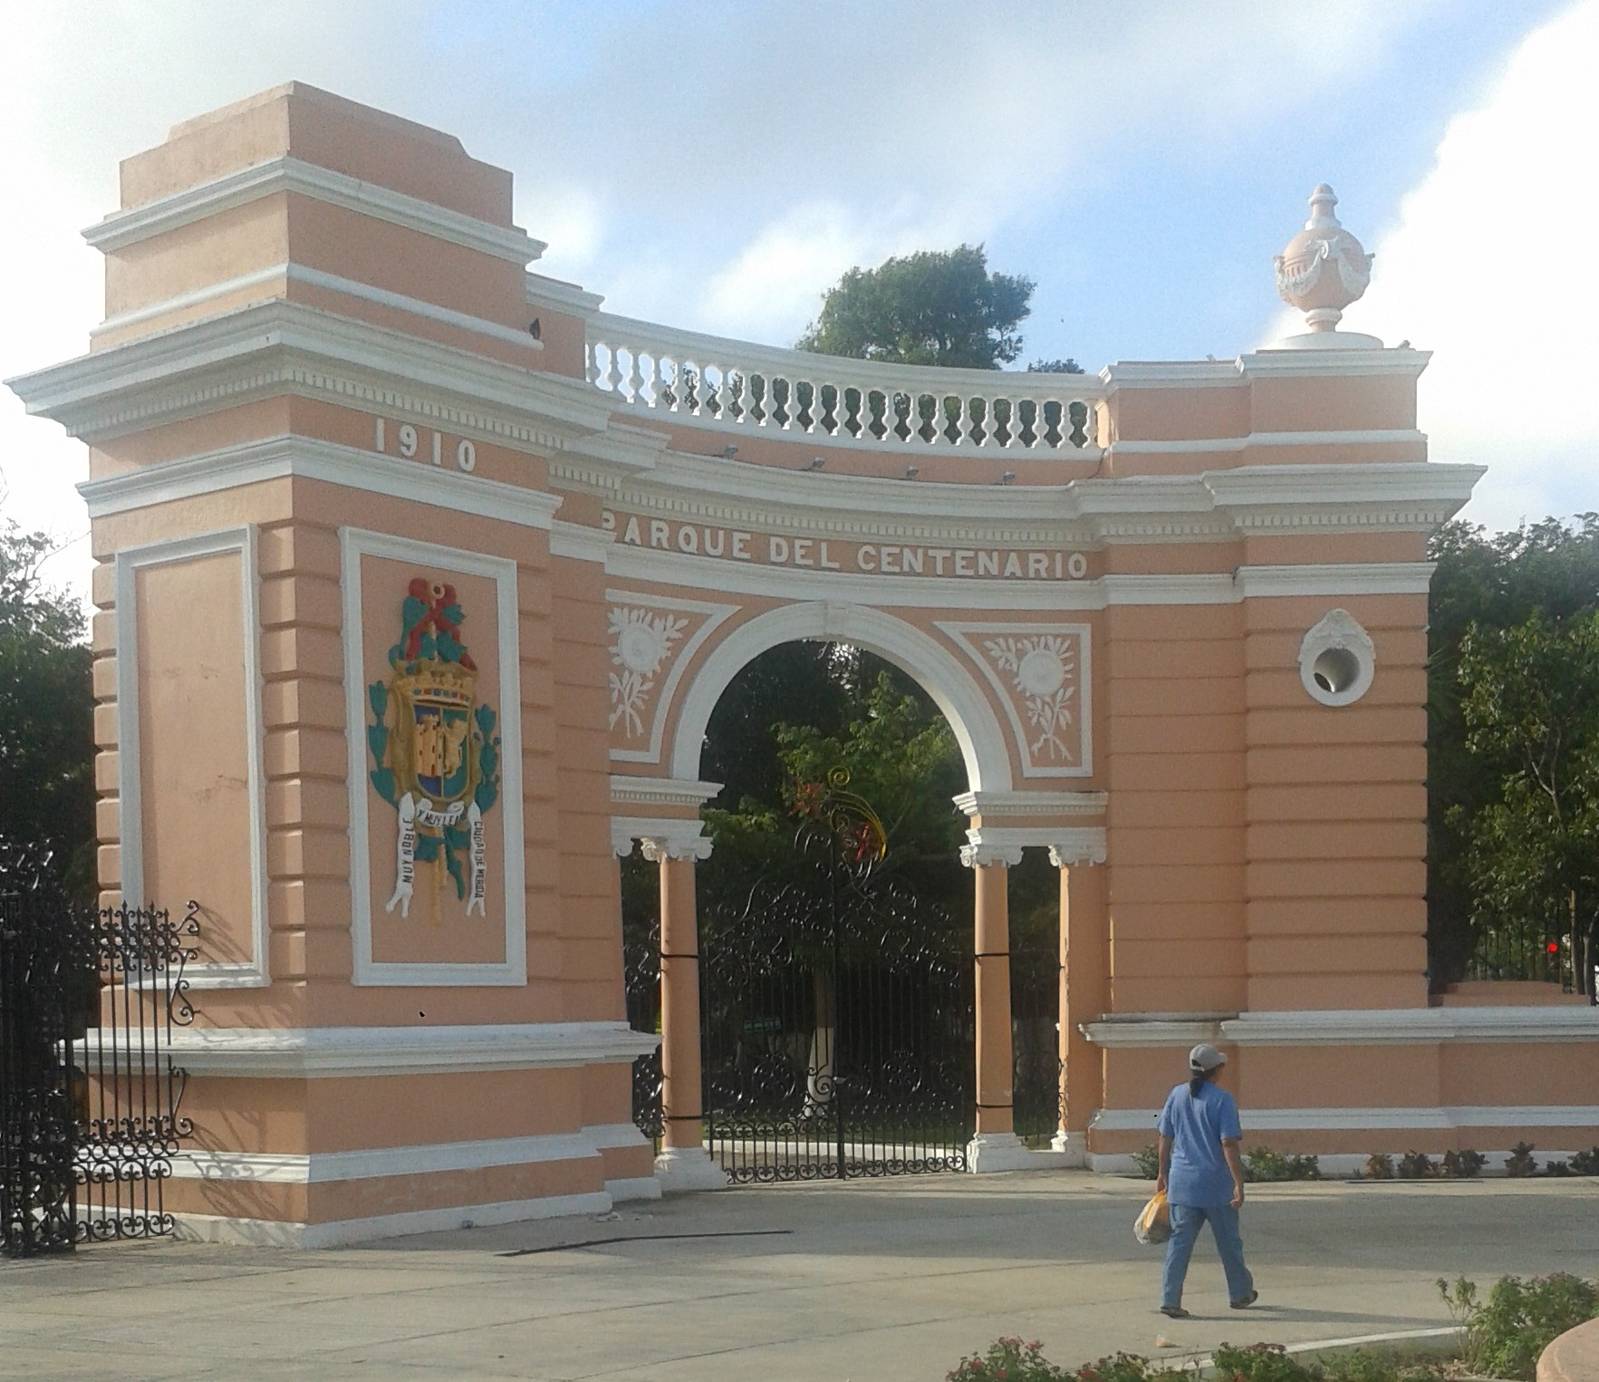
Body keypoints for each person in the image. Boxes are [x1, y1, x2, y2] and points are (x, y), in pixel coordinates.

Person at [1154, 1043, 1257, 1318]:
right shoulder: (1223, 1100)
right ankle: (1240, 1293)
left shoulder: (1176, 1095)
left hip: (1182, 1184)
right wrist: (1239, 1182)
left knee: (1179, 1244)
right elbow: (1228, 1144)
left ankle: (1170, 1298)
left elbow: (1165, 1137)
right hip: (1216, 1185)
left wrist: (1162, 1172)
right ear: (1218, 1070)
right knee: (1229, 1243)